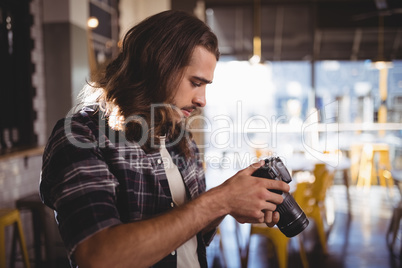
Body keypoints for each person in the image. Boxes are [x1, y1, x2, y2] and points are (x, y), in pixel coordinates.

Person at [40, 10, 290, 268]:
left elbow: (192, 237)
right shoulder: (81, 136)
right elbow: (98, 256)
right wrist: (220, 200)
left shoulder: (179, 136)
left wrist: (229, 205)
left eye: (206, 86)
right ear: (159, 67)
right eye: (195, 82)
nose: (202, 100)